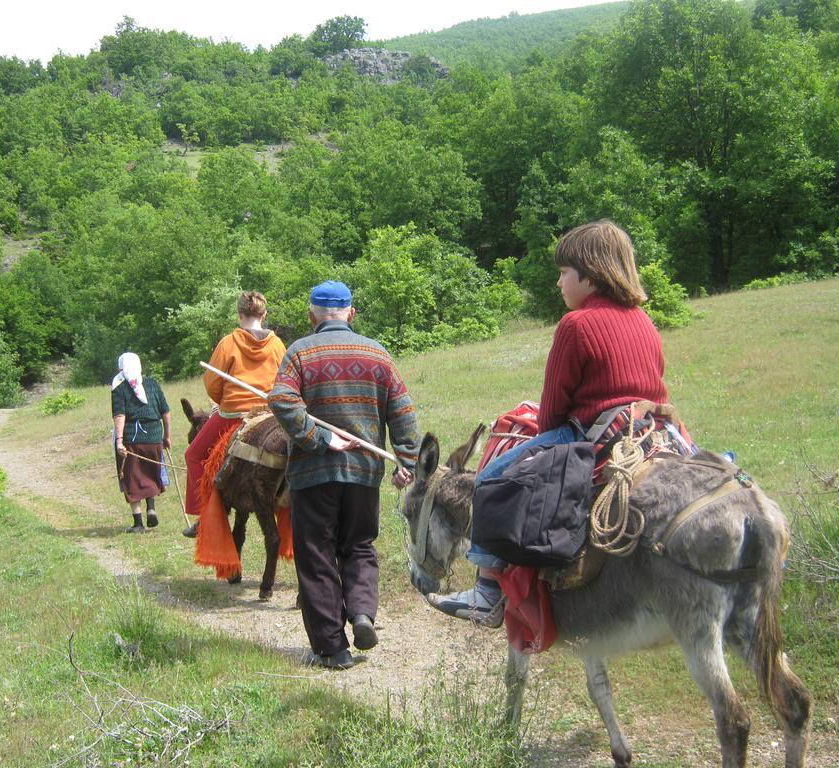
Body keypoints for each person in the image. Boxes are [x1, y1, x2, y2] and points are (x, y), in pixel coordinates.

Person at [428, 219, 670, 624]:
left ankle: (486, 593)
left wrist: (541, 439)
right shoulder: (645, 320)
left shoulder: (576, 324)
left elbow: (553, 410)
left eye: (563, 274)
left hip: (592, 429)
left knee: (490, 481)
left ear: (590, 275)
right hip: (651, 429)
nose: (559, 284)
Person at [268, 280, 419, 670]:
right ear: (351, 313)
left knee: (317, 555)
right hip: (364, 474)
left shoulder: (299, 352)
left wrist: (318, 438)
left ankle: (332, 649)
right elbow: (403, 414)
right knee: (360, 545)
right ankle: (363, 614)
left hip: (311, 474)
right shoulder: (378, 354)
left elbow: (280, 400)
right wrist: (407, 463)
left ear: (311, 315)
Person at [183, 291, 287, 537]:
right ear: (264, 314)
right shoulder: (277, 345)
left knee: (194, 455)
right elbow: (285, 380)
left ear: (240, 314)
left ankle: (204, 516)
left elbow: (212, 383)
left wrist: (222, 402)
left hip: (232, 415)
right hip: (269, 416)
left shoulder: (228, 343)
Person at [111, 352, 172, 533]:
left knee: (132, 477)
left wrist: (119, 441)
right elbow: (166, 412)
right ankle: (151, 508)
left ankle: (138, 523)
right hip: (154, 438)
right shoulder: (152, 384)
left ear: (122, 367)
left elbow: (120, 415)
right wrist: (167, 436)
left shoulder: (119, 388)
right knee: (151, 473)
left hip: (132, 440)